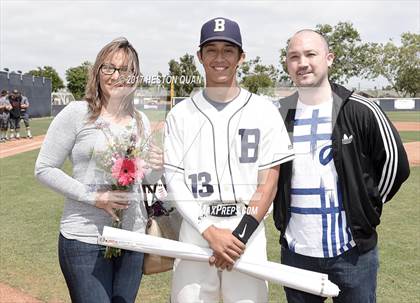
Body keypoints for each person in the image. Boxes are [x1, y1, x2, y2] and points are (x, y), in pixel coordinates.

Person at [273, 29, 410, 303]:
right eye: (294, 57)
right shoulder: (278, 114)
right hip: (297, 252)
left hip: (352, 253)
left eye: (311, 54)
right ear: (287, 64)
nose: (303, 63)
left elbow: (396, 165)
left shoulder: (359, 108)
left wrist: (364, 206)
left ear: (329, 58)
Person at [164, 17, 294, 303]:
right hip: (197, 232)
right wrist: (209, 232)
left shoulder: (264, 111)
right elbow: (174, 179)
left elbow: (269, 181)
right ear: (199, 56)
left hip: (246, 234)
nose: (219, 58)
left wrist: (239, 237)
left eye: (228, 50)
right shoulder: (180, 114)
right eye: (211, 50)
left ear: (241, 57)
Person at [35, 37, 163, 303]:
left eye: (125, 69)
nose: (117, 76)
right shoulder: (77, 113)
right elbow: (44, 168)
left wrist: (157, 168)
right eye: (110, 68)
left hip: (132, 239)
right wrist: (95, 197)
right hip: (84, 239)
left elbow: (146, 181)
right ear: (98, 72)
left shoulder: (140, 120)